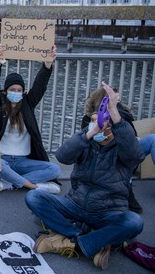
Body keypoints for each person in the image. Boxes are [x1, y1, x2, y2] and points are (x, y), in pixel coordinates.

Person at [25, 82, 144, 270]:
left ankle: (74, 243)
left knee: (134, 222)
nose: (101, 124)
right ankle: (87, 237)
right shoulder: (87, 138)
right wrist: (90, 133)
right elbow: (63, 156)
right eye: (96, 119)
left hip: (108, 210)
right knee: (34, 197)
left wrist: (116, 118)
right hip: (76, 204)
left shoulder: (125, 143)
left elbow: (134, 157)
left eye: (106, 122)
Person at [0, 44, 61, 193]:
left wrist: (47, 64)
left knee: (54, 169)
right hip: (2, 159)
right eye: (12, 90)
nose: (16, 92)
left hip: (24, 161)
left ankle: (10, 182)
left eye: (19, 90)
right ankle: (32, 185)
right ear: (5, 91)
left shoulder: (28, 104)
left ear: (23, 92)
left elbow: (40, 85)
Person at [80, 85, 155, 214]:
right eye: (115, 97)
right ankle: (126, 190)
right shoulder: (90, 119)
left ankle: (125, 188)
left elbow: (133, 135)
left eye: (118, 97)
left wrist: (131, 136)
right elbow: (89, 141)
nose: (118, 99)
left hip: (127, 150)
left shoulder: (122, 114)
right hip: (107, 155)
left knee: (152, 139)